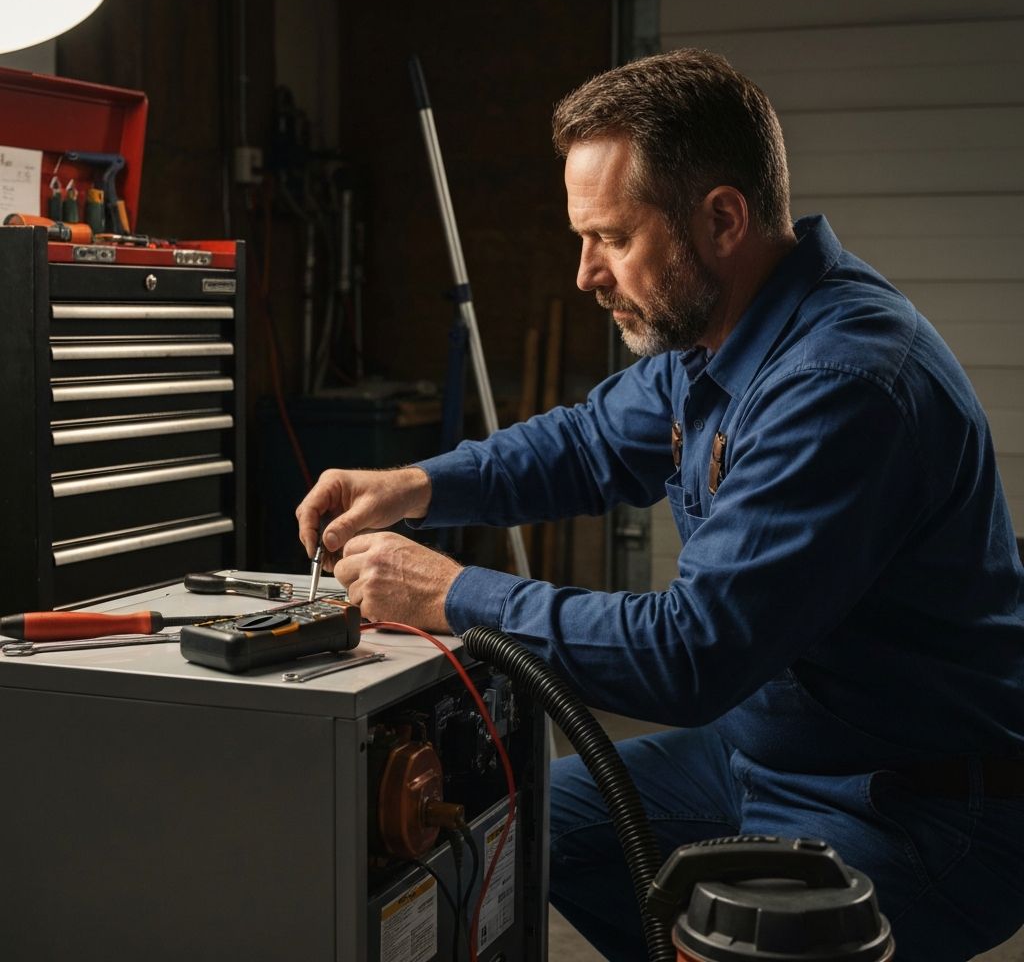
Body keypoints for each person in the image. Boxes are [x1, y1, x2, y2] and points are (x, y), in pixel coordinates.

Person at [296, 50, 1024, 961]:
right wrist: (416, 485)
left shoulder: (842, 383)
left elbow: (692, 654)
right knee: (511, 826)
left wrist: (450, 593)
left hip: (915, 803)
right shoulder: (712, 335)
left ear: (722, 218)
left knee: (749, 941)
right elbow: (587, 442)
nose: (585, 275)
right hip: (766, 755)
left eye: (611, 238)